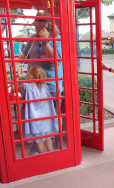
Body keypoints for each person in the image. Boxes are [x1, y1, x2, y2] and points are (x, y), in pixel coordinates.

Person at [14, 12, 64, 153]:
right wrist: (11, 61)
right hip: (32, 85)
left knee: (52, 114)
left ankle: (58, 140)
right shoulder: (32, 39)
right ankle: (38, 142)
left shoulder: (56, 38)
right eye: (35, 26)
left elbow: (55, 61)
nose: (36, 29)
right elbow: (23, 56)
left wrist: (45, 41)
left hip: (50, 85)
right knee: (36, 115)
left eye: (38, 26)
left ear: (47, 25)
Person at [11, 66, 59, 154]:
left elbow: (13, 90)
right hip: (46, 117)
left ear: (30, 75)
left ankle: (41, 156)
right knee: (47, 137)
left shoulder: (26, 86)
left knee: (38, 139)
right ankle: (51, 154)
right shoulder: (45, 87)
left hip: (34, 117)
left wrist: (17, 77)